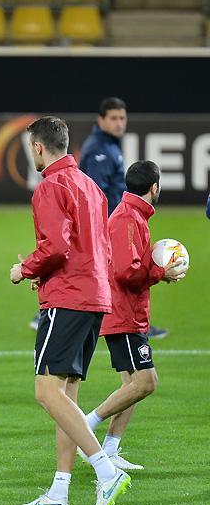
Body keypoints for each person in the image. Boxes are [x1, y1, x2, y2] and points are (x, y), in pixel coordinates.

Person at [10, 116, 130, 505]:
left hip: (67, 298)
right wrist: (46, 273)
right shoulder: (91, 186)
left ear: (38, 147)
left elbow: (56, 247)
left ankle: (106, 471)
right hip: (95, 296)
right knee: (67, 396)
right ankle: (59, 491)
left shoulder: (50, 186)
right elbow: (97, 247)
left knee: (46, 392)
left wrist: (26, 268)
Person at [81, 161, 186, 470]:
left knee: (132, 387)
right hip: (123, 313)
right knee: (146, 382)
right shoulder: (128, 218)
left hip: (128, 312)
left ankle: (110, 449)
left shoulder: (134, 215)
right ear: (154, 187)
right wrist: (161, 273)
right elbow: (127, 272)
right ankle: (85, 425)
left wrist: (158, 271)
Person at [78, 96, 167, 340]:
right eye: (113, 118)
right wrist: (110, 226)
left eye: (122, 118)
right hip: (107, 225)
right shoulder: (100, 149)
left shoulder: (109, 145)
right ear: (101, 120)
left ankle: (130, 321)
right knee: (121, 274)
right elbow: (95, 193)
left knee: (105, 276)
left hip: (112, 222)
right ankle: (127, 323)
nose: (119, 123)